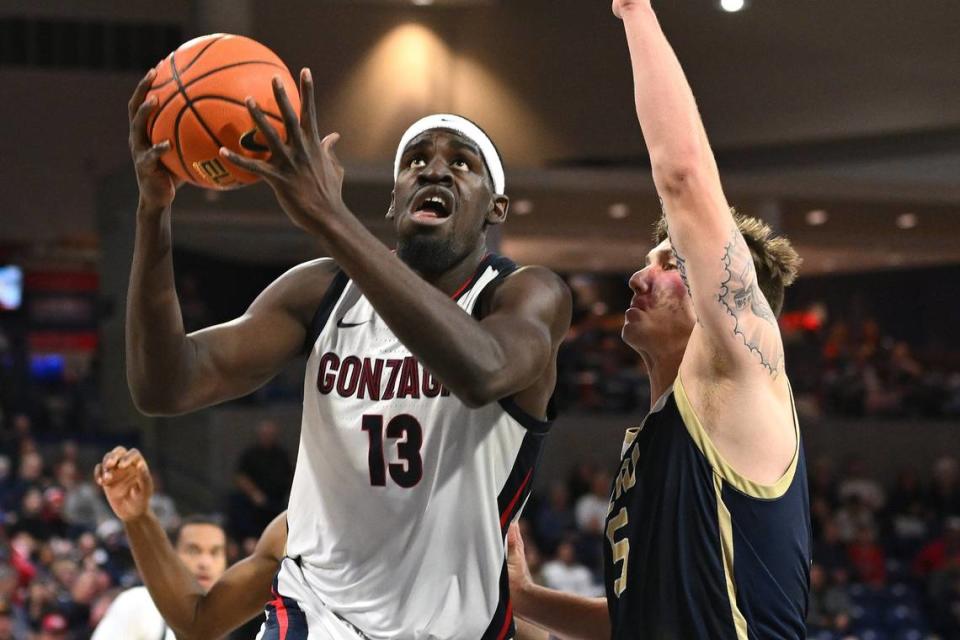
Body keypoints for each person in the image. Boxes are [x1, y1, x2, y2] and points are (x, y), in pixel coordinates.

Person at [125, 59, 572, 637]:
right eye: (415, 162)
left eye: (460, 163)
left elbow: (482, 371)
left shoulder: (526, 294)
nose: (434, 170)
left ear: (496, 207)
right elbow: (166, 384)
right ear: (394, 201)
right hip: (316, 615)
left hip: (452, 625)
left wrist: (331, 217)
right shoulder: (323, 290)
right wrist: (153, 212)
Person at [507, 2, 809, 638]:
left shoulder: (743, 369)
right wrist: (522, 598)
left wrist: (634, 9)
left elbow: (684, 175)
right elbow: (631, 623)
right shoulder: (656, 437)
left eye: (668, 262)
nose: (638, 276)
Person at [94, 446, 551, 640]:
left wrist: (524, 601)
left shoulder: (467, 541)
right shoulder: (300, 527)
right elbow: (198, 622)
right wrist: (140, 521)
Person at [92, 449, 227, 640]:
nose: (204, 562)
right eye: (193, 551)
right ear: (171, 555)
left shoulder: (230, 621)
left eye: (215, 553)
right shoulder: (138, 604)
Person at [232, 419, 294, 539]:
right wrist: (254, 493)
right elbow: (240, 476)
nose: (268, 437)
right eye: (265, 434)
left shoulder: (282, 454)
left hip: (278, 500)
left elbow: (290, 475)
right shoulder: (251, 454)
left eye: (271, 434)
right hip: (255, 501)